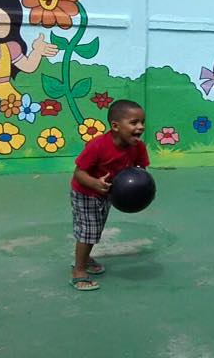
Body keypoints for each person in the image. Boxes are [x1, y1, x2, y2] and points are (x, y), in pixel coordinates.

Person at [69, 99, 149, 291]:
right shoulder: (98, 146)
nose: (140, 127)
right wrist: (95, 184)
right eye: (134, 122)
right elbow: (79, 173)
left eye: (142, 122)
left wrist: (143, 189)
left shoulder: (138, 147)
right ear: (115, 126)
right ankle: (79, 271)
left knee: (96, 229)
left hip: (108, 193)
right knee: (88, 231)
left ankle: (86, 259)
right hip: (86, 192)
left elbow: (140, 170)